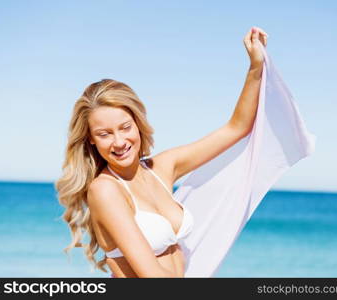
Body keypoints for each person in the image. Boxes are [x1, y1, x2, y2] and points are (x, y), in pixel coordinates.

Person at [55, 26, 269, 278]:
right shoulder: (105, 190)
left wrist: (256, 67)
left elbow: (237, 128)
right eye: (104, 134)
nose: (119, 141)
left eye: (125, 127)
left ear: (138, 123)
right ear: (90, 139)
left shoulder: (161, 168)